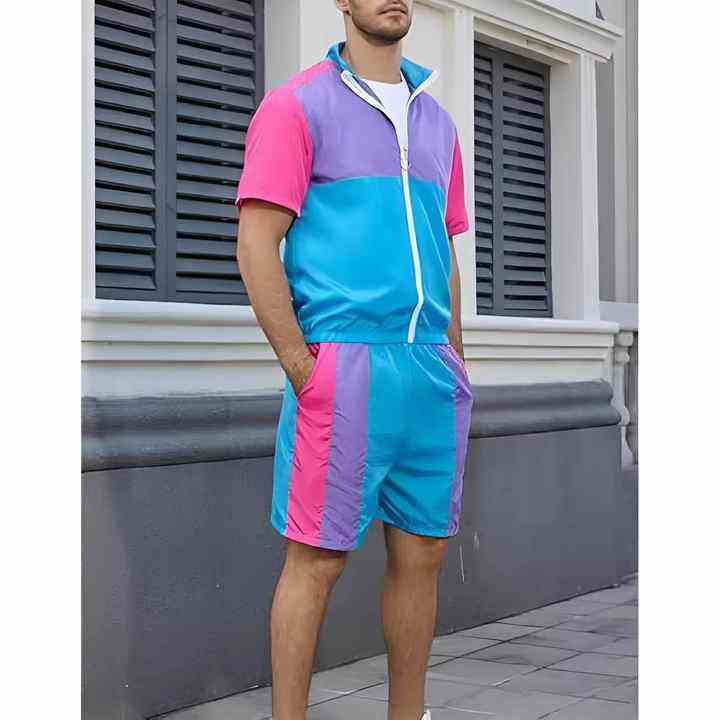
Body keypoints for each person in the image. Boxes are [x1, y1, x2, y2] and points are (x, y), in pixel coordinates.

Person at [234, 2, 472, 718]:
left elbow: (445, 251)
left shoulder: (439, 123)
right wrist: (302, 367)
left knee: (424, 555)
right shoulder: (296, 107)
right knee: (317, 559)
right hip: (344, 367)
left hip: (429, 370)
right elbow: (256, 243)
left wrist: (457, 361)